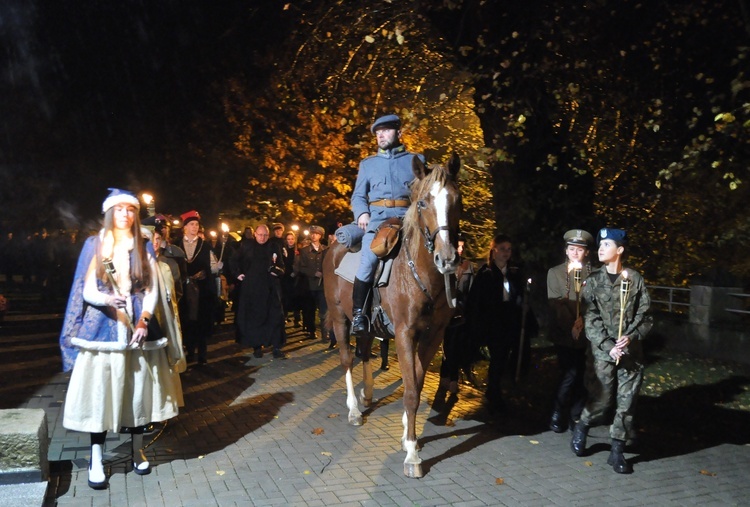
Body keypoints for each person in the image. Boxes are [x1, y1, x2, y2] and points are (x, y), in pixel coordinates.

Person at [59, 189, 183, 489]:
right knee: (101, 396)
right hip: (103, 330)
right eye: (119, 210)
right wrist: (106, 299)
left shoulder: (143, 244)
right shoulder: (96, 243)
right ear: (110, 213)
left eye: (130, 210)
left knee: (136, 393)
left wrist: (144, 320)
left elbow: (151, 288)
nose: (125, 215)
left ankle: (137, 449)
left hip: (137, 334)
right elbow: (86, 288)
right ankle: (97, 457)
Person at [570, 228, 652, 474]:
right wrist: (608, 346)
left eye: (607, 244)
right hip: (602, 353)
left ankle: (617, 450)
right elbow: (590, 318)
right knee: (602, 400)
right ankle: (582, 425)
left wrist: (631, 336)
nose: (601, 249)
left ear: (620, 250)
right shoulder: (593, 281)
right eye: (600, 245)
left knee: (627, 403)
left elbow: (645, 315)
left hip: (630, 353)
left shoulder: (634, 279)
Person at [350, 114, 425, 336]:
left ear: (399, 133)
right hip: (378, 222)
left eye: (386, 130)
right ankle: (359, 315)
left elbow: (425, 192)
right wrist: (362, 212)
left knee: (437, 252)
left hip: (408, 220)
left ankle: (450, 306)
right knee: (368, 262)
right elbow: (358, 196)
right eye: (378, 132)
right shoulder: (368, 165)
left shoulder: (416, 160)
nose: (381, 135)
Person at [466, 234, 537, 414]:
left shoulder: (514, 272)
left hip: (511, 320)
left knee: (513, 355)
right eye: (503, 249)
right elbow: (477, 302)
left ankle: (511, 386)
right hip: (494, 324)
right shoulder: (486, 273)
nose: (506, 253)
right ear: (494, 250)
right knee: (498, 357)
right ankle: (494, 392)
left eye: (509, 249)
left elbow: (520, 294)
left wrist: (523, 303)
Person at [547, 229, 594, 433]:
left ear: (587, 253)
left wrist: (582, 321)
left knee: (584, 375)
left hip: (588, 334)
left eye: (580, 249)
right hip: (564, 334)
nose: (575, 253)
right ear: (566, 251)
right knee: (569, 373)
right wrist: (571, 325)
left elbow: (596, 303)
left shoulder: (594, 274)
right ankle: (557, 410)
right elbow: (556, 303)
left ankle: (576, 415)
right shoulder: (555, 273)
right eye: (572, 249)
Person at [231, 223, 288, 359]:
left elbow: (281, 266)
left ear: (268, 235)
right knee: (254, 318)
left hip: (271, 288)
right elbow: (233, 260)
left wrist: (278, 271)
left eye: (265, 235)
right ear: (255, 234)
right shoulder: (246, 246)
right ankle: (257, 346)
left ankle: (276, 347)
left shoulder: (274, 246)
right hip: (253, 288)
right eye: (260, 235)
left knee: (275, 316)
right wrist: (237, 274)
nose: (262, 238)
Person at [176, 211, 221, 365]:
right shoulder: (177, 245)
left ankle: (202, 354)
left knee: (201, 320)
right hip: (183, 289)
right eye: (191, 224)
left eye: (196, 224)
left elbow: (213, 267)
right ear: (185, 227)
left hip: (202, 290)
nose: (195, 227)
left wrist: (213, 269)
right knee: (186, 321)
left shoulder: (205, 245)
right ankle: (189, 352)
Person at [439, 234, 476, 393]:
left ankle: (449, 378)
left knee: (455, 345)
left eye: (462, 246)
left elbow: (471, 291)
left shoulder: (467, 266)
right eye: (458, 246)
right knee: (448, 345)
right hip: (445, 311)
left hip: (462, 312)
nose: (460, 249)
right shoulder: (444, 264)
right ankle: (449, 377)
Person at [294, 225, 334, 346]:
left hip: (322, 286)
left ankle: (325, 334)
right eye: (312, 233)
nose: (313, 235)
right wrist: (313, 273)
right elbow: (301, 267)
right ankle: (311, 331)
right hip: (309, 285)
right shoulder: (305, 251)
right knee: (310, 310)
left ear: (320, 236)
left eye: (316, 234)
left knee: (323, 311)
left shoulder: (326, 249)